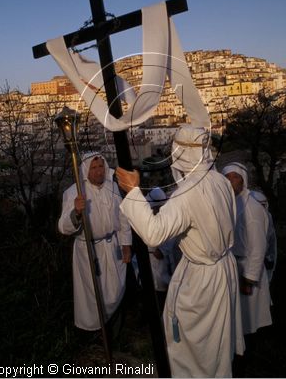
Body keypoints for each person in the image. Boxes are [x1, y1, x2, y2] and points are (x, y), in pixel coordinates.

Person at [116, 124, 245, 378]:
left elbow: (154, 232)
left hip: (202, 280)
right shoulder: (220, 181)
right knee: (215, 341)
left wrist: (133, 192)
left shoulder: (186, 193)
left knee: (195, 345)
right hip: (223, 269)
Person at [58, 152, 132, 336]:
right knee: (95, 295)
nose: (99, 172)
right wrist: (75, 212)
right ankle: (97, 337)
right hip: (89, 251)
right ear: (85, 170)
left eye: (100, 167)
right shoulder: (73, 192)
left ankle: (116, 333)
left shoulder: (113, 187)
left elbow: (123, 219)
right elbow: (63, 227)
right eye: (94, 168)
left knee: (116, 291)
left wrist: (126, 245)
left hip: (112, 246)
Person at [221, 163, 272, 336]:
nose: (230, 181)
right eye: (227, 177)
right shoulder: (231, 203)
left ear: (243, 181)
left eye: (235, 177)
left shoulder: (252, 208)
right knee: (239, 321)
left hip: (247, 270)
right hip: (235, 267)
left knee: (249, 322)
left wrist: (249, 279)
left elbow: (258, 248)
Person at [250, 190, 277, 283]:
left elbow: (271, 241)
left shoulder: (268, 217)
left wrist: (269, 259)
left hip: (263, 263)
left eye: (263, 205)